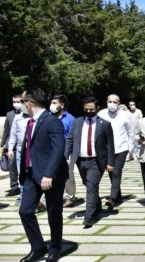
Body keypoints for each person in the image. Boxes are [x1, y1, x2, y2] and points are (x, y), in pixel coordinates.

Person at [17, 88, 70, 262]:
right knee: (25, 211)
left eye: (23, 101)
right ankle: (38, 247)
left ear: (29, 103)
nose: (22, 104)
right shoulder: (30, 121)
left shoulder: (52, 121)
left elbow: (58, 149)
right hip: (32, 175)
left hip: (51, 175)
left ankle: (55, 249)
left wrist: (49, 174)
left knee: (54, 214)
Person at [66, 97, 115, 228]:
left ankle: (89, 217)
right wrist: (65, 156)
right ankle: (96, 205)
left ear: (97, 109)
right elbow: (70, 140)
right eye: (86, 109)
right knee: (88, 184)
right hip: (81, 160)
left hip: (96, 161)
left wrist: (110, 163)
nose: (88, 111)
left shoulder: (105, 124)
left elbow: (110, 145)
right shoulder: (77, 122)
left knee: (91, 187)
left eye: (91, 109)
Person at [98, 94, 135, 209]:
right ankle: (118, 195)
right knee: (111, 173)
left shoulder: (126, 115)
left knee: (116, 172)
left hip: (121, 148)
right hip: (106, 150)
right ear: (106, 102)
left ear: (119, 103)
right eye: (110, 101)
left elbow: (131, 132)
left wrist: (131, 148)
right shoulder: (101, 114)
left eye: (115, 102)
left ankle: (112, 198)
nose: (112, 104)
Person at [49, 95, 76, 208]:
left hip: (65, 150)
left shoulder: (70, 119)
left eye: (55, 103)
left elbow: (73, 138)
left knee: (67, 175)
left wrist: (70, 155)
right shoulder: (49, 117)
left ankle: (70, 197)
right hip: (51, 149)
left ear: (62, 105)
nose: (52, 105)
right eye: (51, 102)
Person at [0, 92, 24, 196]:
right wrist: (3, 144)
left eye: (18, 102)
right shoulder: (10, 114)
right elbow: (7, 130)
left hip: (22, 145)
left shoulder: (27, 114)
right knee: (11, 167)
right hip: (10, 145)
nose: (16, 103)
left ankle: (24, 186)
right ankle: (14, 186)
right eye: (14, 102)